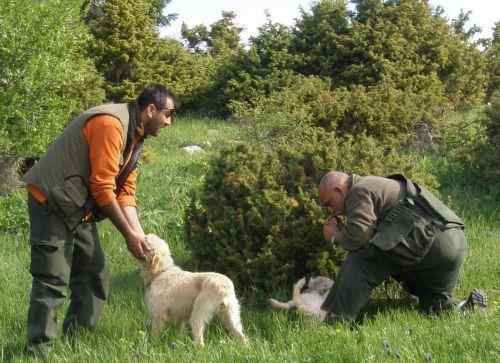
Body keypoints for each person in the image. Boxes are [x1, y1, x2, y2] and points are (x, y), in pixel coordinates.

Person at [21, 84, 180, 350]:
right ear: (151, 110)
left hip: (76, 208)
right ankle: (39, 351)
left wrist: (139, 235)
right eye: (167, 114)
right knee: (53, 280)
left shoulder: (135, 136)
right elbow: (102, 186)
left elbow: (125, 192)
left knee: (94, 275)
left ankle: (76, 345)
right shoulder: (111, 124)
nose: (169, 121)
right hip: (50, 203)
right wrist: (128, 235)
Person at [318, 171, 487, 324]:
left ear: (339, 190)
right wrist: (343, 232)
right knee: (435, 303)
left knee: (360, 261)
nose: (330, 210)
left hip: (426, 241)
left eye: (329, 204)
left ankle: (335, 321)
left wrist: (334, 236)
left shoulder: (358, 190)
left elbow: (358, 237)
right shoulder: (373, 183)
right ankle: (466, 308)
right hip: (454, 241)